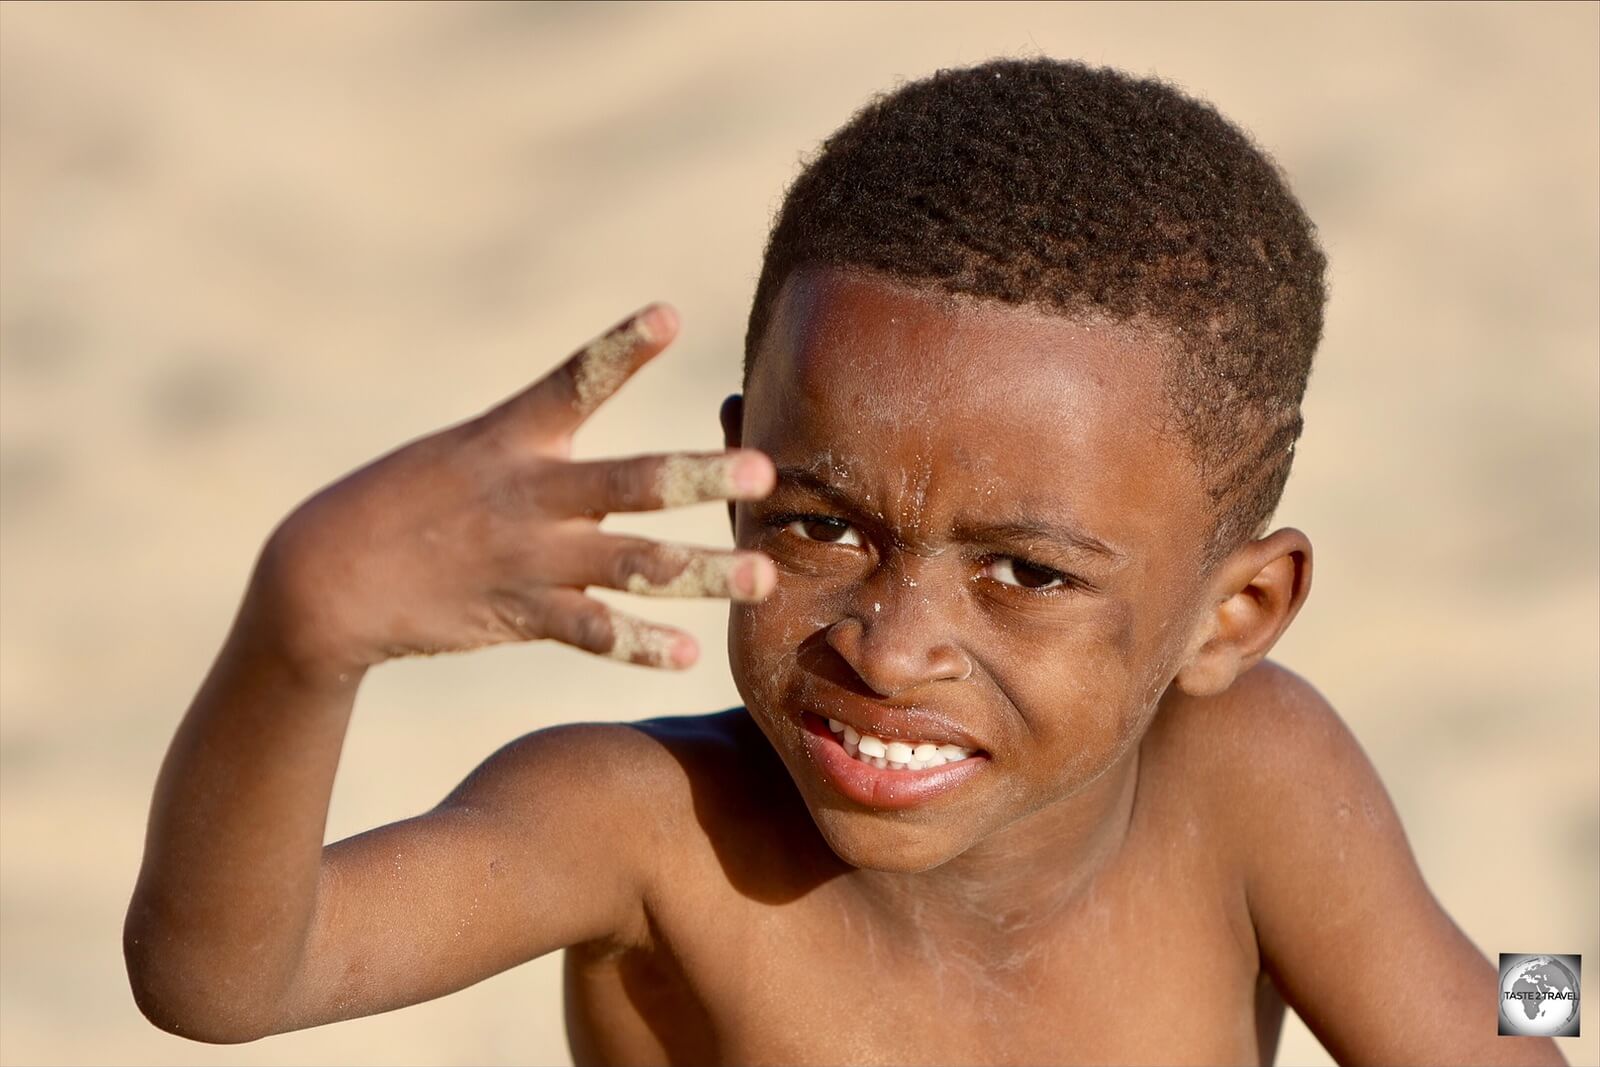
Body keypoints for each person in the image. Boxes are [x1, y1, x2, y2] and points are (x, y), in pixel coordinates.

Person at [123, 58, 1565, 1065]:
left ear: (1235, 611)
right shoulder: (643, 835)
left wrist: (1562, 993)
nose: (890, 647)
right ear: (738, 467)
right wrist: (301, 639)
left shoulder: (1253, 777)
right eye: (821, 526)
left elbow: (1494, 1023)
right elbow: (225, 982)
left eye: (1029, 575)